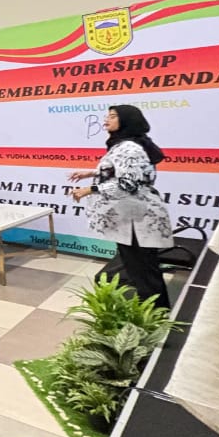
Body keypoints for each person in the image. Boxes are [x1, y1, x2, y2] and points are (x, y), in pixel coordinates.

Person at [70, 105, 172, 308]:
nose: (106, 120)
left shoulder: (130, 148)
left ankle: (156, 315)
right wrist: (91, 173)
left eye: (113, 116)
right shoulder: (126, 144)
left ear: (127, 121)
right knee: (139, 269)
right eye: (107, 116)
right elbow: (121, 170)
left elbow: (128, 183)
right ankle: (154, 311)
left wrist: (90, 189)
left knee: (144, 271)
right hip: (132, 217)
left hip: (137, 220)